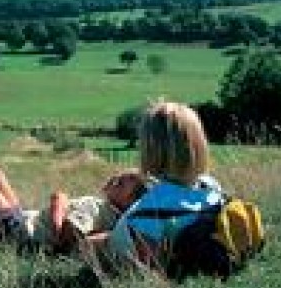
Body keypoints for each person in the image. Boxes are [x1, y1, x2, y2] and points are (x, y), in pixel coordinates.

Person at [79, 100, 225, 273]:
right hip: (180, 242)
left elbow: (148, 262)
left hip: (124, 249)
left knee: (86, 245)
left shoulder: (155, 204)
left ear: (151, 150)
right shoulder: (211, 186)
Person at [0, 166, 146, 254]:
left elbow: (70, 230)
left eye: (120, 184)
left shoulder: (99, 208)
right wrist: (59, 202)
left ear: (126, 203)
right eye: (117, 177)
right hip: (28, 220)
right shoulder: (107, 212)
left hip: (24, 232)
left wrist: (58, 211)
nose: (113, 180)